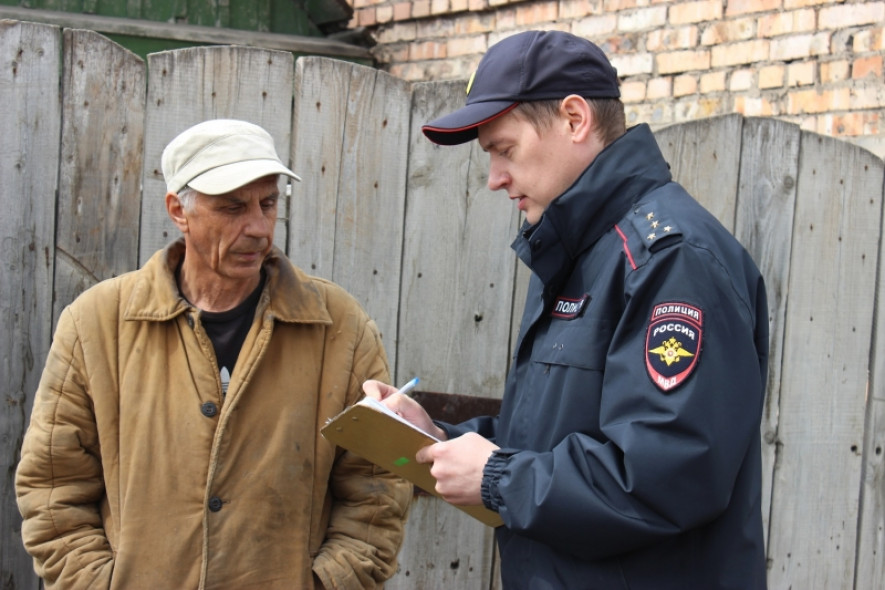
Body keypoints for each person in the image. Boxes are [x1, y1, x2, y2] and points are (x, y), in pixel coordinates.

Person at [364, 30, 769, 589]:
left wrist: (498, 477)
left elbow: (663, 475)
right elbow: (550, 439)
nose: (494, 179)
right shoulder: (582, 252)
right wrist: (437, 435)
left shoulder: (670, 261)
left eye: (504, 150)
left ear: (575, 119)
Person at [15, 119, 412, 589]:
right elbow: (53, 487)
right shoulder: (97, 324)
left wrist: (327, 584)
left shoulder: (339, 326)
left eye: (268, 204)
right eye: (233, 208)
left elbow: (377, 487)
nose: (259, 229)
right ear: (178, 212)